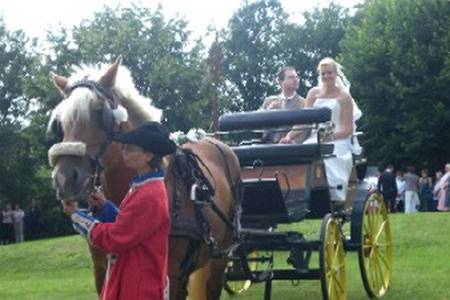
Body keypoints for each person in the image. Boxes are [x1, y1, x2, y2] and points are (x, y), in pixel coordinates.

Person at [63, 121, 177, 300]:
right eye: (124, 148)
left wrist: (77, 216)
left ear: (148, 155)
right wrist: (105, 205)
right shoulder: (145, 186)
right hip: (135, 279)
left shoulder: (149, 193)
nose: (124, 153)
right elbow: (130, 225)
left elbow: (115, 237)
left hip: (138, 287)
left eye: (130, 149)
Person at [280, 57, 362, 202]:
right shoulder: (313, 93)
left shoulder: (344, 97)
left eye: (329, 73)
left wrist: (329, 137)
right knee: (302, 154)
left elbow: (348, 129)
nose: (326, 76)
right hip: (315, 138)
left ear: (336, 74)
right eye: (323, 73)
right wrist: (289, 136)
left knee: (329, 158)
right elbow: (304, 121)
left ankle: (333, 196)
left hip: (338, 139)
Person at [260, 66, 306, 143]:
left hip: (294, 147)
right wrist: (268, 113)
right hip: (271, 146)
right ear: (281, 82)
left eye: (297, 77)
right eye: (291, 77)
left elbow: (305, 128)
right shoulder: (269, 101)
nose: (295, 80)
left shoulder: (304, 103)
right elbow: (261, 128)